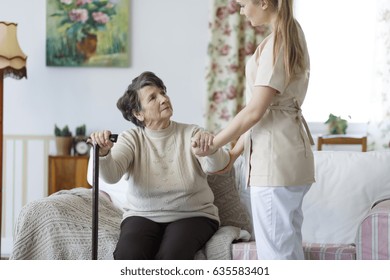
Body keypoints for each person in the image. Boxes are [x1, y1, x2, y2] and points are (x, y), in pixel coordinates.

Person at [193, 0, 315, 260]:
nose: (241, 11)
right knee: (288, 251)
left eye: (243, 4)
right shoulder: (290, 33)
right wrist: (234, 154)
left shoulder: (278, 41)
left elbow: (255, 110)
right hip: (288, 157)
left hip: (274, 163)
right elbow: (266, 111)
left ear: (263, 2)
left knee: (276, 257)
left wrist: (214, 143)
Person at [89, 71, 229, 260]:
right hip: (143, 215)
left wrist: (210, 150)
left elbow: (216, 166)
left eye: (163, 93)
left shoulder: (192, 133)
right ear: (138, 113)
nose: (164, 99)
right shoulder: (131, 138)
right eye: (153, 98)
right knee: (128, 254)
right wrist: (104, 153)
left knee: (171, 256)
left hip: (193, 214)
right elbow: (111, 176)